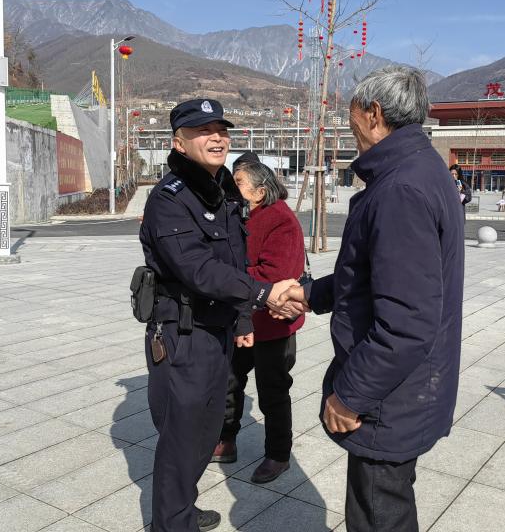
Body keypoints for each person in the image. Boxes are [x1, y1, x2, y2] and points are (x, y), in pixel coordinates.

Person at [275, 66, 465, 532]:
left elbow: (406, 323)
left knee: (378, 515)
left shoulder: (400, 189)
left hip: (388, 398)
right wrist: (310, 293)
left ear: (374, 113)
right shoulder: (419, 168)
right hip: (404, 390)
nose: (350, 127)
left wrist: (349, 396)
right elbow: (372, 276)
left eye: (352, 116)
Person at [139, 98, 296, 532]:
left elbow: (233, 259)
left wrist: (243, 317)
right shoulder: (169, 198)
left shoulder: (223, 191)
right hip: (182, 333)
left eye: (221, 130)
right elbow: (198, 269)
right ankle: (172, 524)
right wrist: (263, 294)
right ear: (178, 142)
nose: (217, 138)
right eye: (203, 131)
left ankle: (181, 509)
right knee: (181, 437)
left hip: (218, 331)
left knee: (206, 431)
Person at [211, 161, 306, 483]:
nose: (232, 186)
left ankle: (278, 455)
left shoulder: (280, 219)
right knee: (228, 381)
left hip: (273, 324)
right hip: (242, 319)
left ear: (260, 191)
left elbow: (274, 275)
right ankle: (226, 439)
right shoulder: (243, 215)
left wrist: (228, 275)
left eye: (238, 182)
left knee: (272, 392)